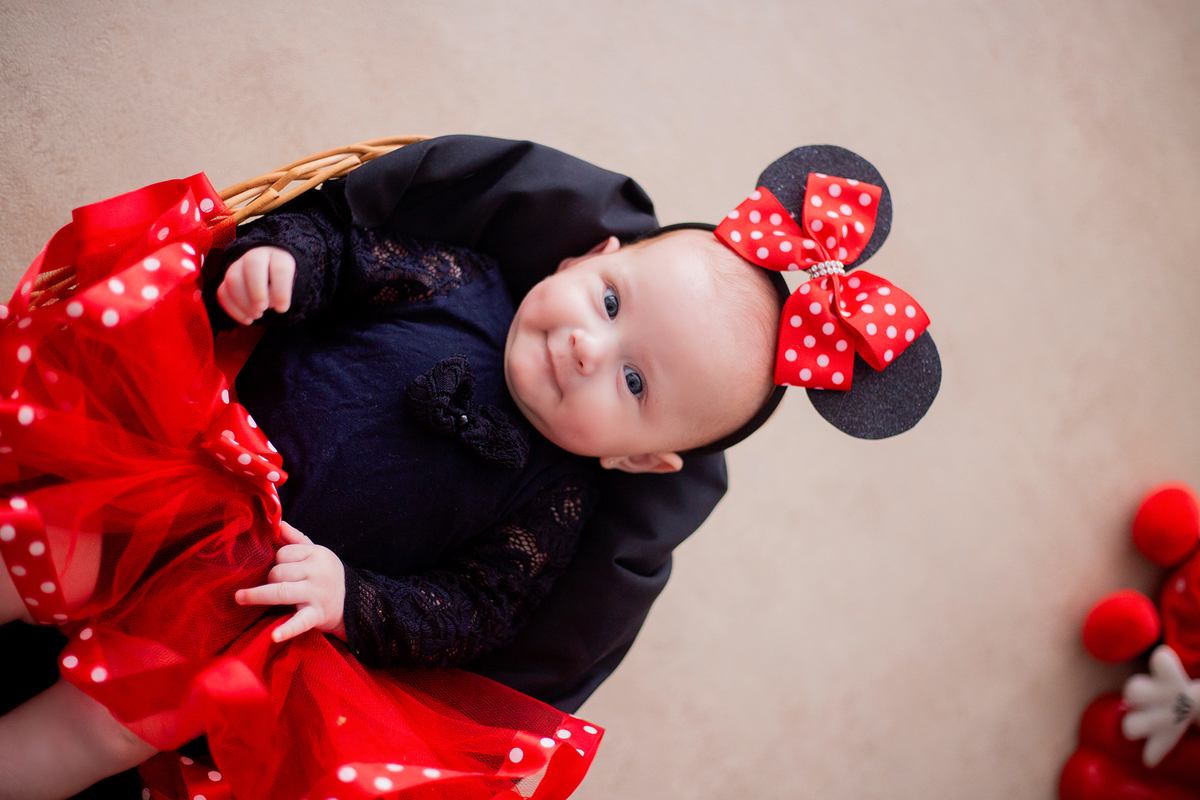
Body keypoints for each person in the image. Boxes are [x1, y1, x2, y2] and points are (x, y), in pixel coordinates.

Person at [0, 136, 937, 800]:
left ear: (639, 458)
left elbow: (467, 614)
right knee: (38, 544)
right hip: (184, 466)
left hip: (246, 596)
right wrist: (277, 258)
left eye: (636, 379)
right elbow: (350, 248)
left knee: (100, 728)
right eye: (608, 301)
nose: (585, 347)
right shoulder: (462, 280)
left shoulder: (557, 504)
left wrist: (350, 596)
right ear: (587, 253)